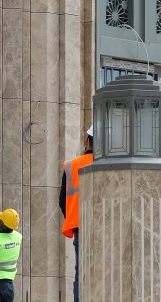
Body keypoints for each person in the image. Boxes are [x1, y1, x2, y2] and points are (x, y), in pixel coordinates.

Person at [59, 127, 94, 302]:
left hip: (80, 226)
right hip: (104, 225)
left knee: (81, 272)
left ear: (87, 141)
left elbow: (61, 201)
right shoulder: (109, 165)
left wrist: (73, 216)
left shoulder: (71, 165)